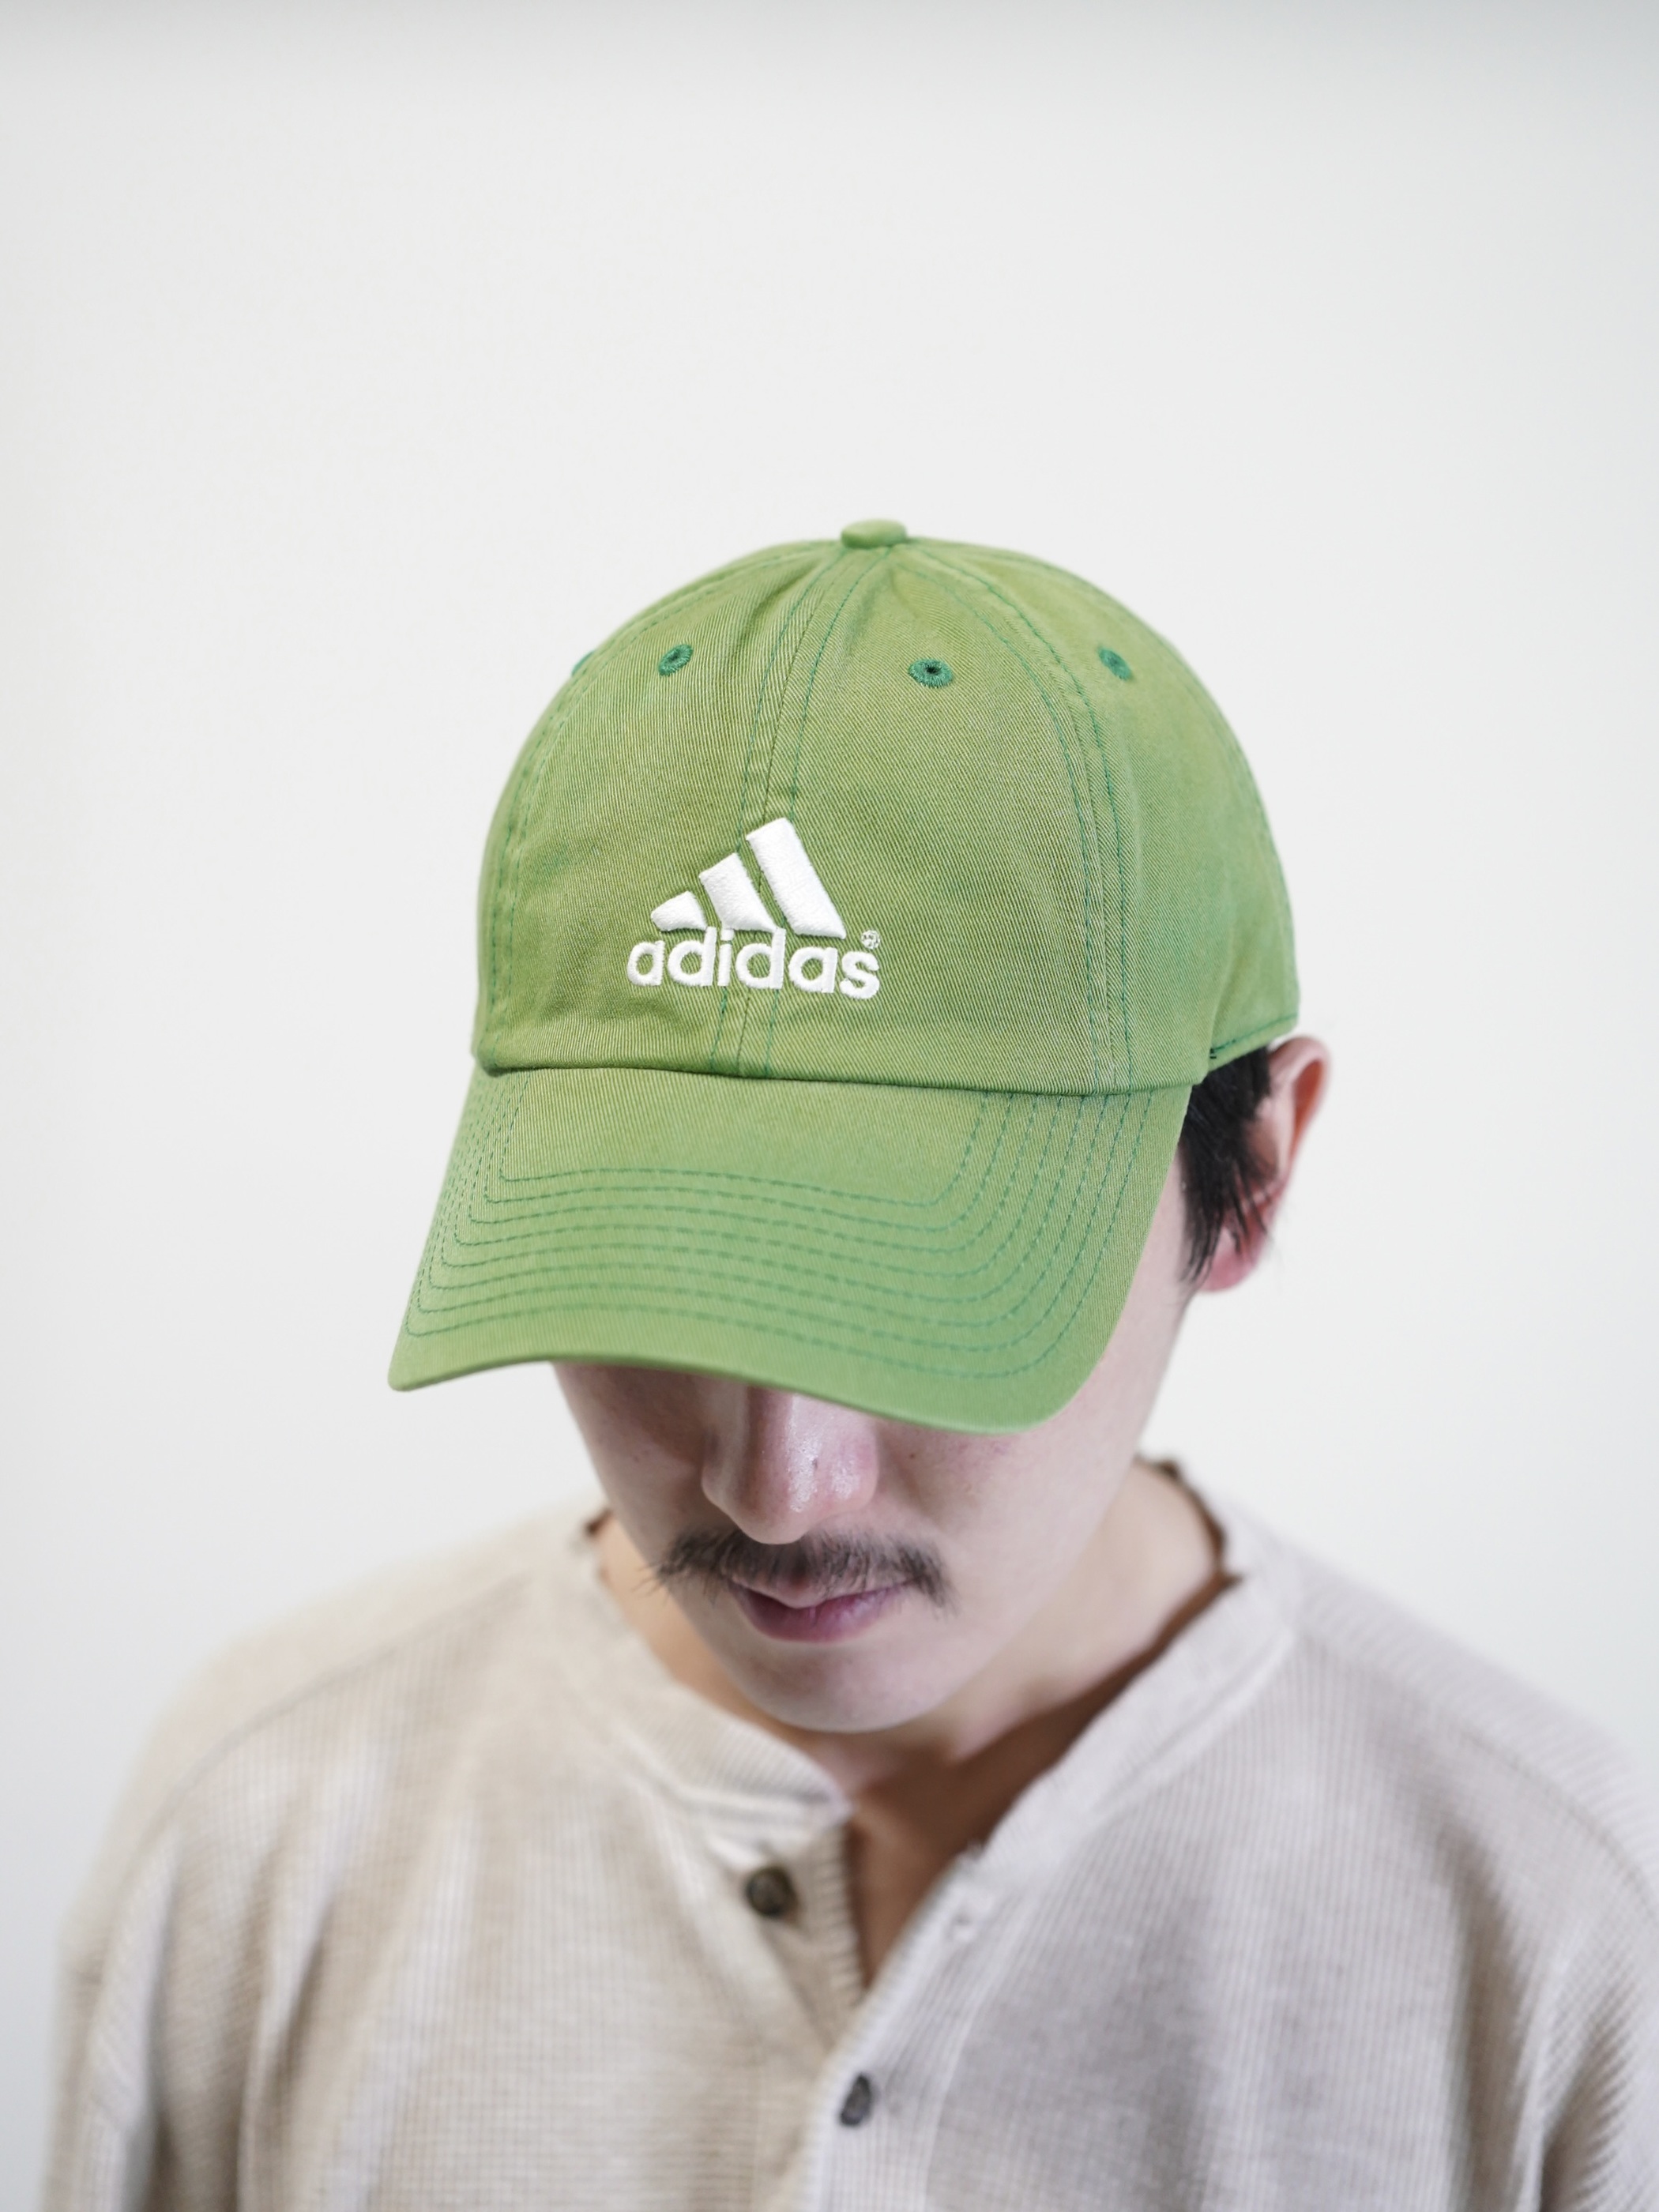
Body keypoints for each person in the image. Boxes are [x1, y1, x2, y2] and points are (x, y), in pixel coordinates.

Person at [45, 523, 1658, 2209]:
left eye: (929, 1300)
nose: (774, 1486)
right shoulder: (267, 1822)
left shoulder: (1541, 1925)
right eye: (657, 1270)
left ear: (1251, 1168)